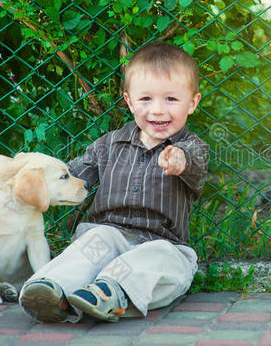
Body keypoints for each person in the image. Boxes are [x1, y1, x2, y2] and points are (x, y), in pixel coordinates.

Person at [19, 41, 209, 323]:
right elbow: (71, 178)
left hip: (163, 243)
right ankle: (51, 289)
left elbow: (195, 166)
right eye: (146, 99)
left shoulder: (191, 147)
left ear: (192, 102)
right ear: (129, 101)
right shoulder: (107, 146)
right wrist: (33, 181)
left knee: (161, 261)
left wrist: (180, 160)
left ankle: (110, 292)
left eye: (171, 99)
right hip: (109, 237)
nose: (157, 110)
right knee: (94, 241)